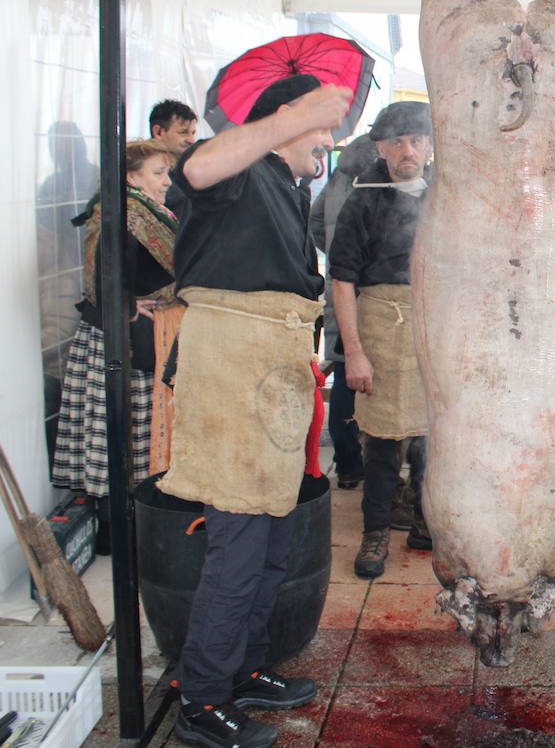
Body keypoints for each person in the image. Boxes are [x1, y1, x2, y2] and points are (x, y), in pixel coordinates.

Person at [161, 74, 349, 748]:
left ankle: (241, 670)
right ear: (282, 117)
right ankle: (203, 702)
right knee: (239, 547)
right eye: (322, 126)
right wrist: (298, 113)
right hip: (231, 374)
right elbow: (197, 166)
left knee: (274, 537)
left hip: (272, 370)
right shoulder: (240, 166)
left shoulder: (286, 190)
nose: (329, 138)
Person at [52, 140, 178, 549]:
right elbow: (104, 275)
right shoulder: (120, 215)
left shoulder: (141, 211)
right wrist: (125, 306)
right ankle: (123, 535)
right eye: (158, 172)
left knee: (139, 435)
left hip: (142, 335)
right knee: (129, 436)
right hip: (123, 342)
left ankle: (140, 527)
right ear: (131, 177)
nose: (166, 180)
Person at [328, 104, 434, 577]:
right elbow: (343, 279)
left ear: (430, 145)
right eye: (395, 142)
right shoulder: (363, 199)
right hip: (381, 327)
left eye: (415, 140)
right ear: (380, 149)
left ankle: (427, 523)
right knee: (384, 443)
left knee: (434, 439)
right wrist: (354, 351)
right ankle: (375, 534)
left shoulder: (447, 197)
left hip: (436, 327)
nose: (406, 151)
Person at [309, 131, 382, 490]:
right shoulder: (378, 179)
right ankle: (378, 463)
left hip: (338, 284)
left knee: (342, 370)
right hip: (372, 290)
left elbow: (315, 223)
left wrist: (337, 255)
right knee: (375, 373)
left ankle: (348, 464)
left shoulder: (338, 176)